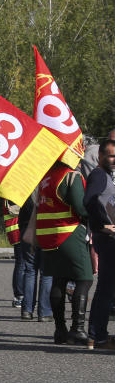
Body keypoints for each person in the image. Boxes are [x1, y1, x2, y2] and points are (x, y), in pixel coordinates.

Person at [36, 160, 93, 345]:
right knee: (84, 279)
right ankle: (77, 329)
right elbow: (80, 207)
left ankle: (60, 330)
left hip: (47, 235)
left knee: (58, 280)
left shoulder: (46, 175)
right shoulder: (70, 175)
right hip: (68, 232)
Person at [83, 138, 115, 350]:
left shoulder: (105, 176)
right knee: (106, 288)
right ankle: (98, 335)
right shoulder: (99, 175)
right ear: (101, 156)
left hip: (107, 238)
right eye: (111, 155)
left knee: (106, 288)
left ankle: (98, 334)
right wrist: (102, 226)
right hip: (107, 239)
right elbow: (89, 201)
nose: (114, 159)